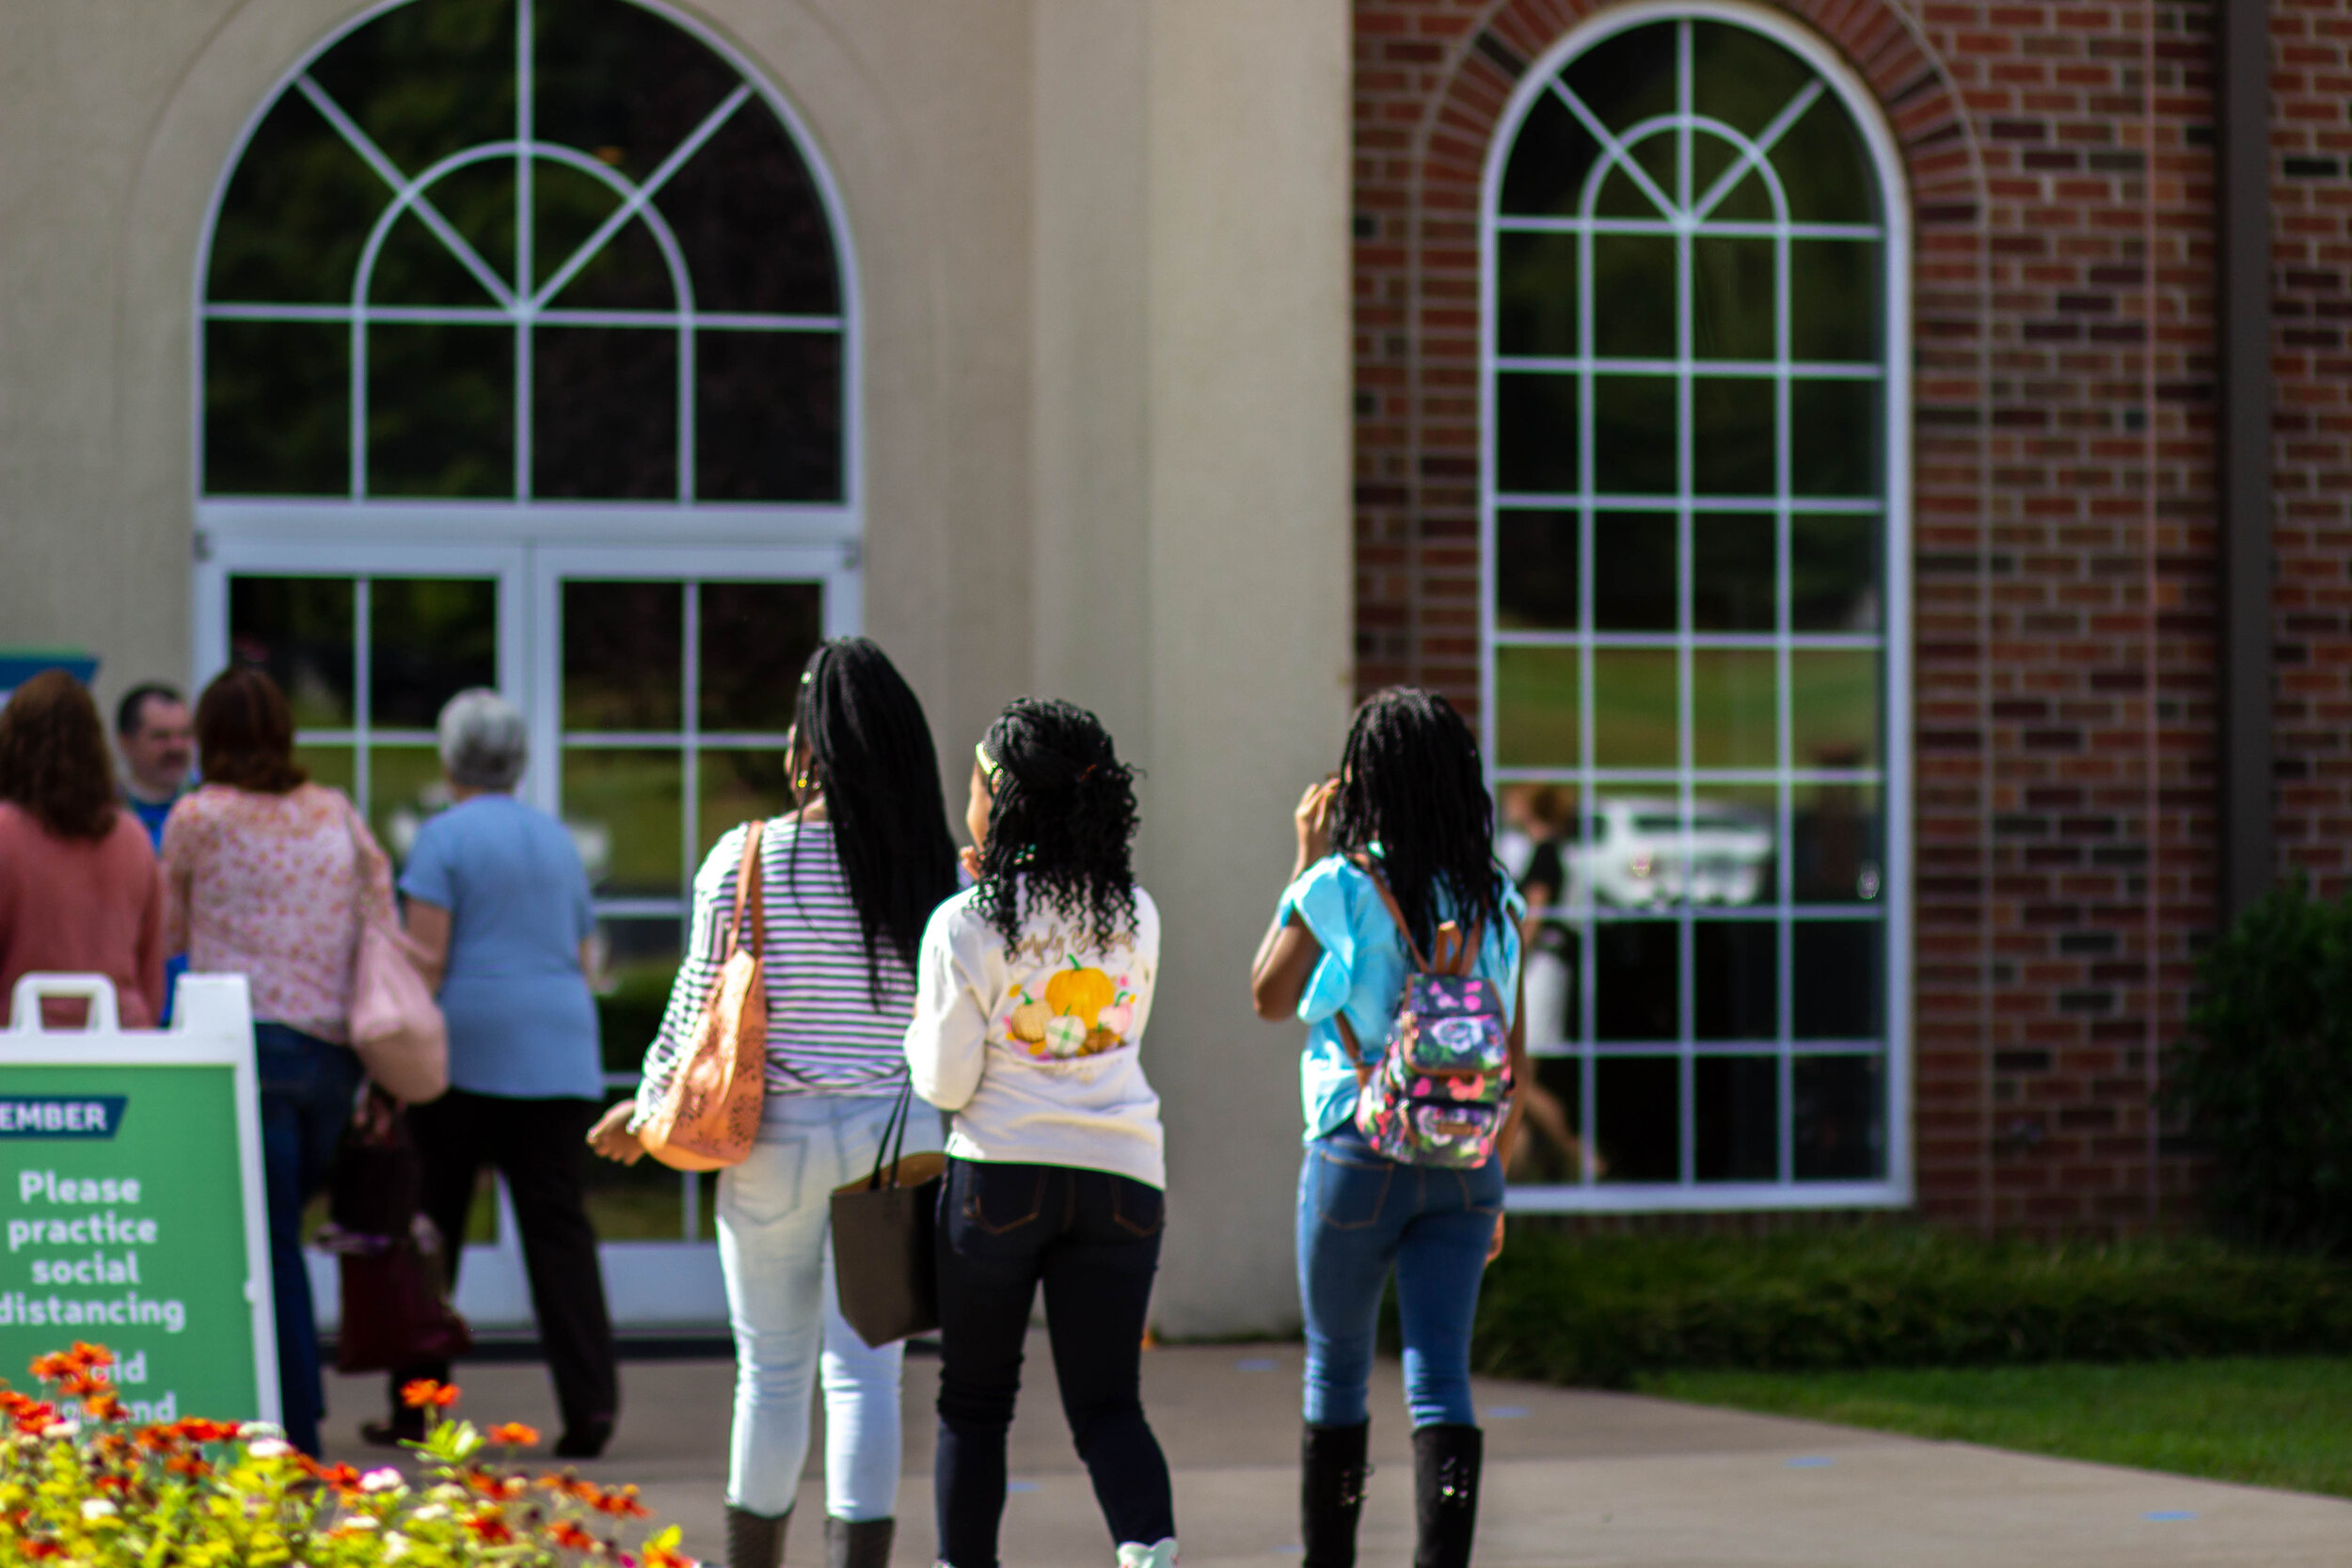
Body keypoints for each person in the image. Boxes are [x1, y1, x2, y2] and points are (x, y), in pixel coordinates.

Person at [590, 639, 961, 1568]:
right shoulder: (939, 873)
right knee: (867, 1375)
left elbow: (695, 1003)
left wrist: (644, 1108)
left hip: (772, 1142)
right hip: (898, 1138)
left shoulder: (748, 856)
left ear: (809, 748)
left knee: (771, 1372)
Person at [1249, 687, 1529, 1568]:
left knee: (1336, 1371)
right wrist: (1499, 1185)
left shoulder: (1338, 885)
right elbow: (1510, 1056)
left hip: (1356, 1149)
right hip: (1466, 1162)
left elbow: (1267, 995)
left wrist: (1304, 857)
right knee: (1441, 1377)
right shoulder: (1499, 897)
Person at [905, 698, 1176, 1568]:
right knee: (1110, 1407)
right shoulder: (1137, 912)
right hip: (1124, 1178)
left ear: (1007, 799)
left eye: (978, 782)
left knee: (975, 1404)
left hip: (1001, 1179)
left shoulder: (967, 920)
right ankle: (1148, 1553)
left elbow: (943, 1081)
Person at [362, 689, 619, 1457]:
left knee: (433, 1229)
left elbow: (427, 959)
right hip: (560, 1050)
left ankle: (419, 1407)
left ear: (449, 760)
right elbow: (583, 956)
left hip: (465, 1055)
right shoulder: (558, 839)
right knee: (559, 1233)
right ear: (521, 760)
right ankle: (592, 1403)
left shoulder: (441, 839)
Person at [163, 665, 391, 1457]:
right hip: (331, 1051)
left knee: (265, 1242)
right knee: (281, 1232)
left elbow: (163, 930)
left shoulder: (197, 816)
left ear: (210, 736)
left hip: (241, 1043)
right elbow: (380, 900)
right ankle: (292, 1408)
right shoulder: (332, 809)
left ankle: (293, 1422)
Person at [0, 670, 167, 1029]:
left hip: (19, 1045)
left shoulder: (5, 832)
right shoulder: (133, 836)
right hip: (119, 1038)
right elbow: (153, 966)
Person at [116, 682, 194, 849]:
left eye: (184, 734)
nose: (176, 747)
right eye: (161, 736)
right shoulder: (107, 811)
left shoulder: (206, 806)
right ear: (126, 743)